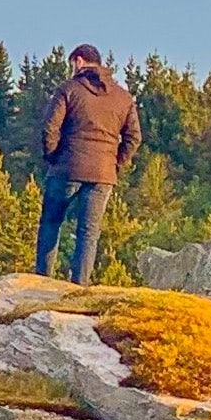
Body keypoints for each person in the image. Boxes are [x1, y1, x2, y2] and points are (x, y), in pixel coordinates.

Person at [35, 44, 141, 284]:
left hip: (66, 168)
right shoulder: (123, 97)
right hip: (103, 173)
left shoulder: (68, 90)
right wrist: (116, 164)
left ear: (79, 61)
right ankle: (79, 286)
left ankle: (43, 281)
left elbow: (49, 128)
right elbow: (134, 138)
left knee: (51, 222)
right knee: (88, 232)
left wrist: (53, 157)